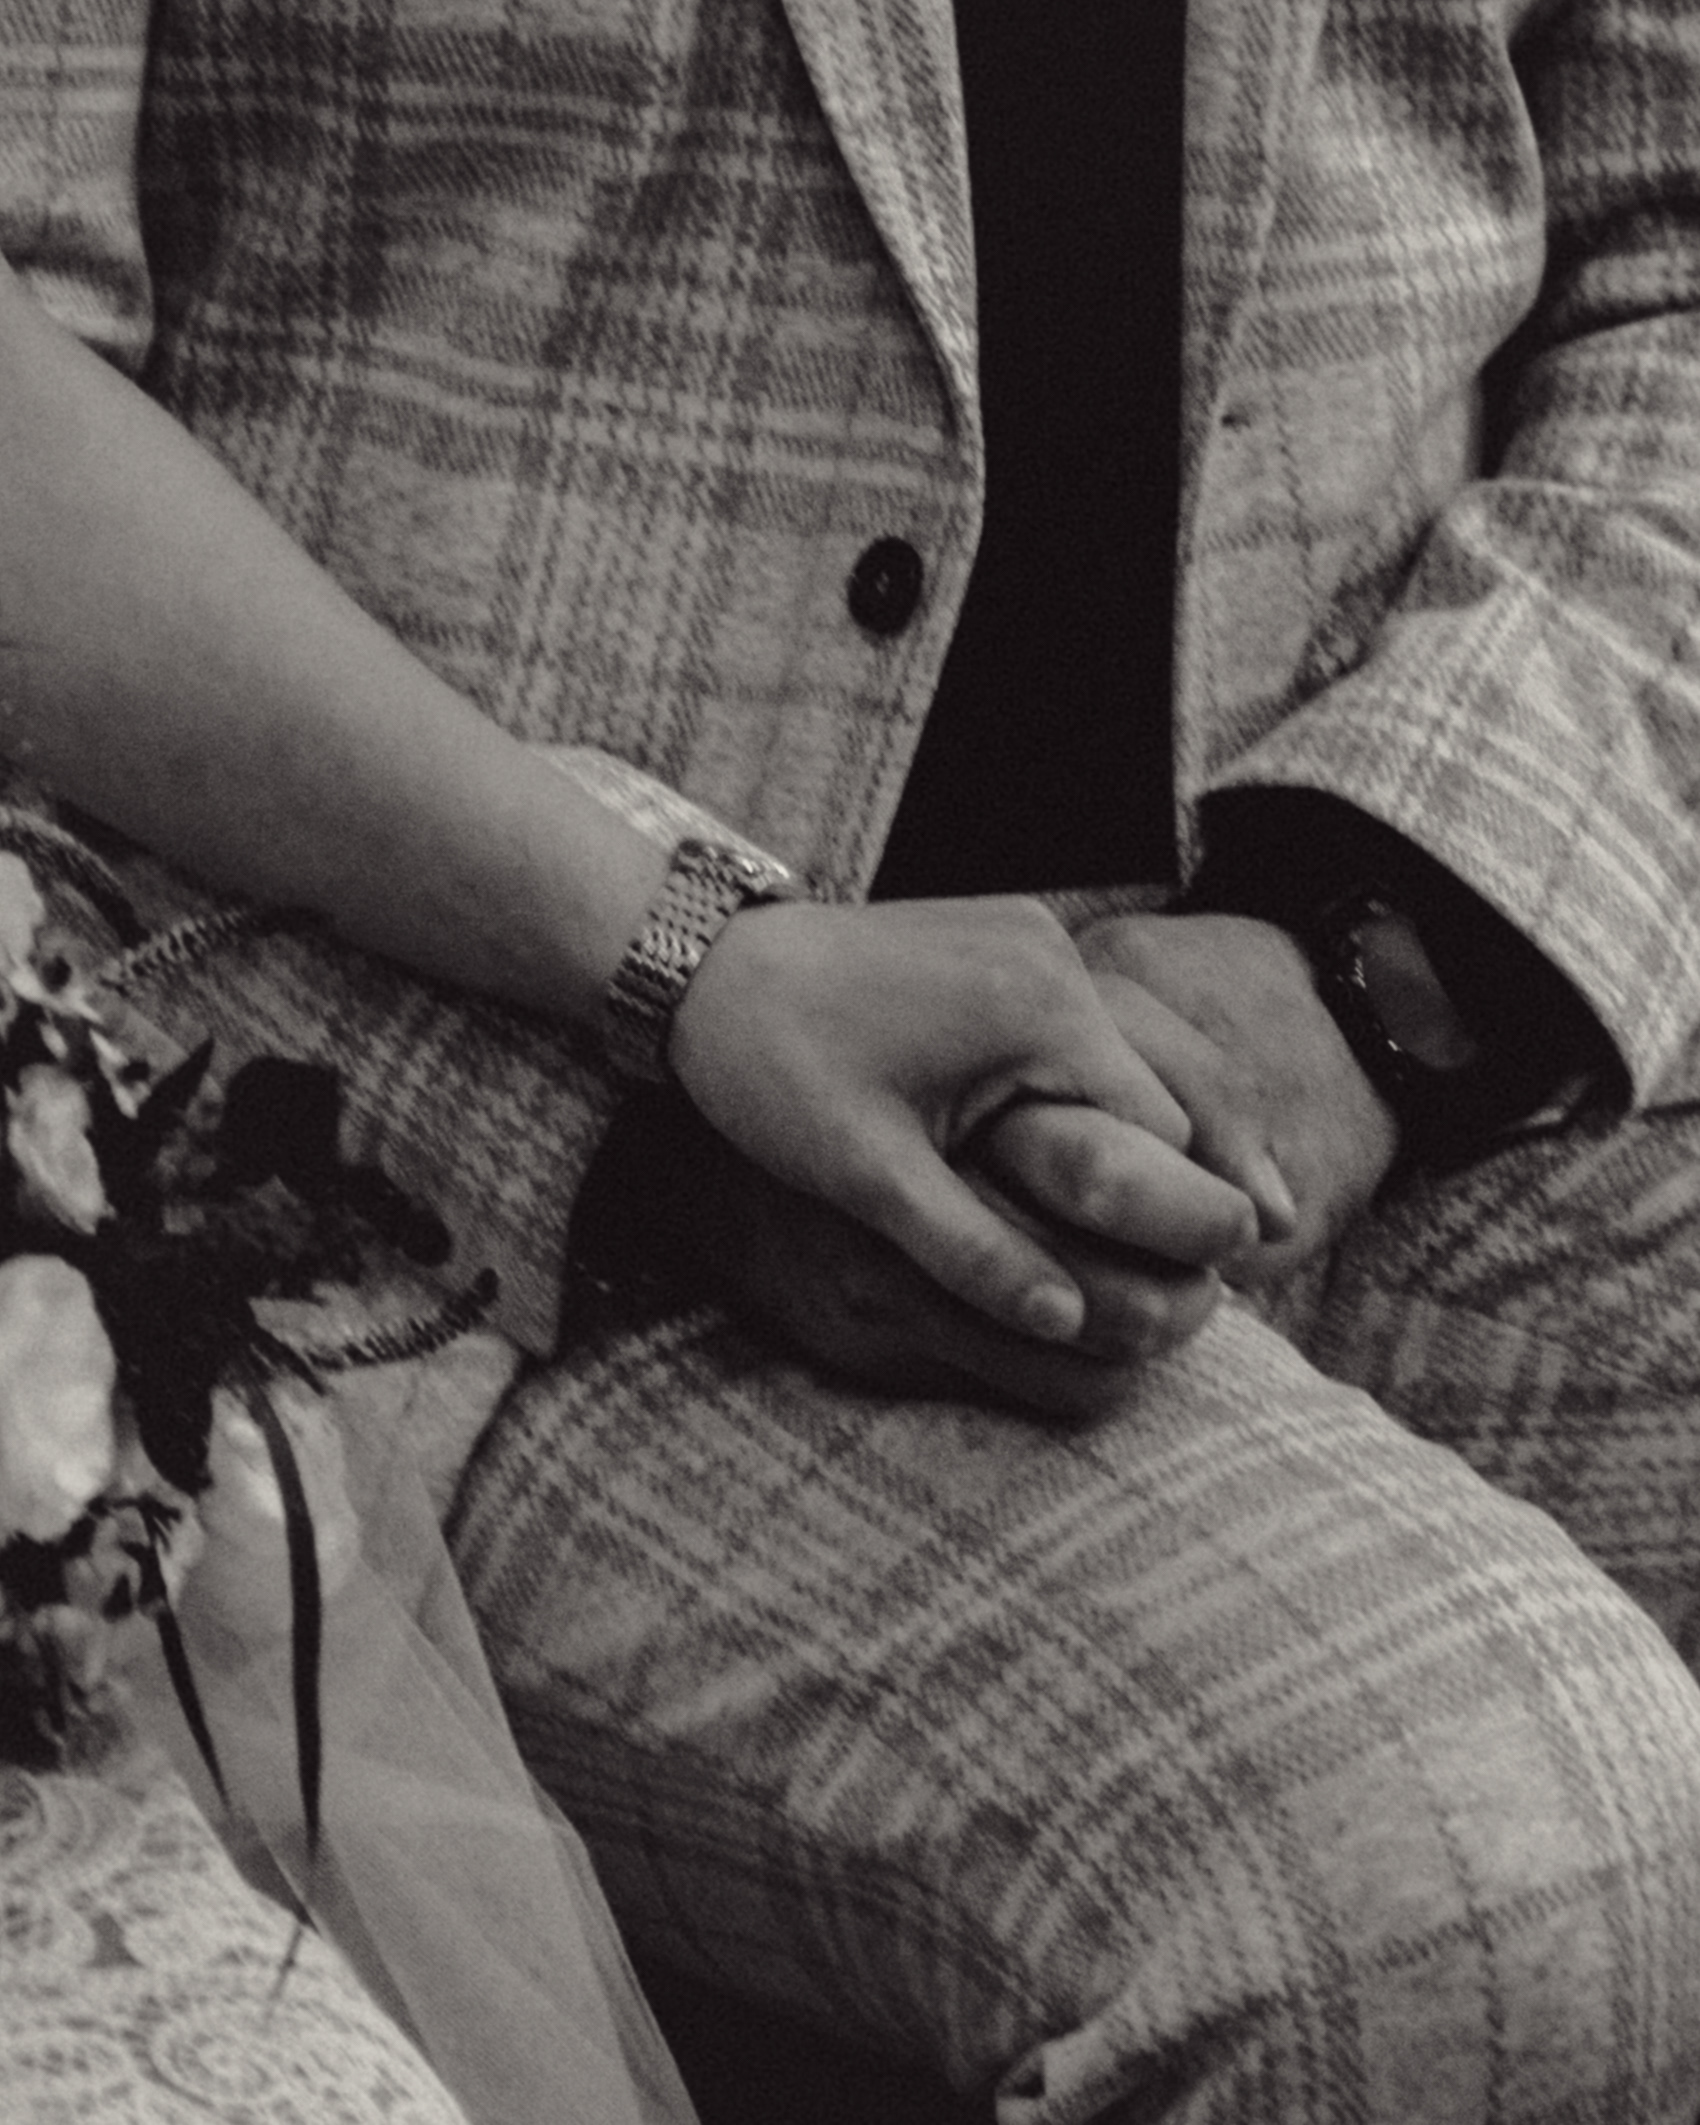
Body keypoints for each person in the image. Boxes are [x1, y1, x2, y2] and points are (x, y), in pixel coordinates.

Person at [6, 0, 1700, 2118]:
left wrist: (1384, 949)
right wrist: (676, 966)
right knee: (1479, 1895)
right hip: (424, 1063)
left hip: (1396, 948)